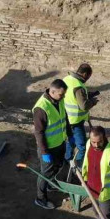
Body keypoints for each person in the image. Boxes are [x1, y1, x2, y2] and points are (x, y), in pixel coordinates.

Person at [32, 79, 71, 209]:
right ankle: (40, 198)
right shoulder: (41, 108)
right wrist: (44, 152)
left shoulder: (59, 99)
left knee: (58, 165)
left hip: (60, 143)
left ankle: (50, 185)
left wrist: (70, 135)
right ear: (52, 91)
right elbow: (39, 132)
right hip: (48, 148)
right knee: (45, 173)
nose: (63, 96)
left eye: (64, 94)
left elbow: (64, 118)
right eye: (61, 94)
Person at [63, 63, 99, 167]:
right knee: (82, 146)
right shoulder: (79, 86)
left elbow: (72, 96)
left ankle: (67, 159)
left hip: (67, 118)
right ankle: (78, 166)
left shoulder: (67, 79)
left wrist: (88, 94)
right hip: (76, 121)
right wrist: (93, 101)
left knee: (70, 140)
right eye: (88, 76)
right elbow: (84, 106)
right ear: (84, 74)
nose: (88, 79)